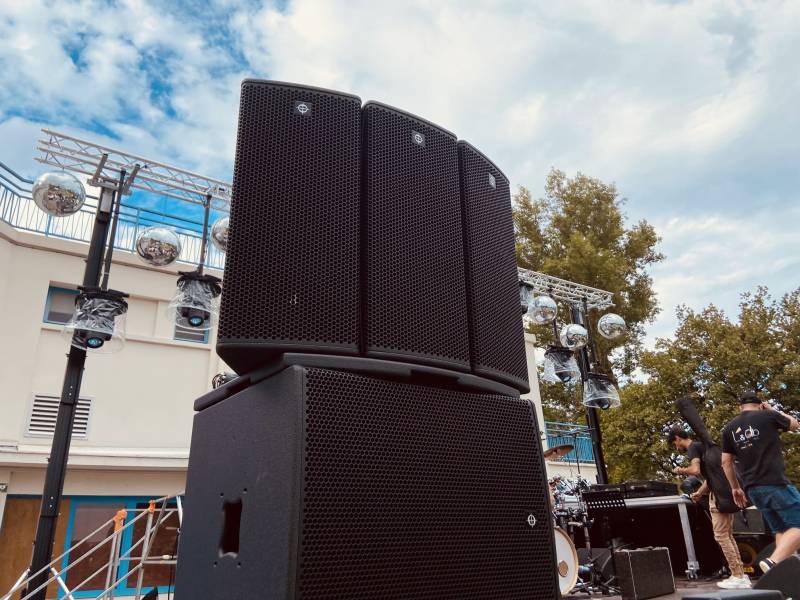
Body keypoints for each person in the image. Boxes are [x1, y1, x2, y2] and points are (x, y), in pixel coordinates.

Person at [721, 391, 800, 573]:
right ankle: (773, 561)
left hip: (752, 489)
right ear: (760, 405)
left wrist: (735, 488)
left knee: (782, 529)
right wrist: (773, 409)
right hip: (774, 482)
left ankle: (781, 572)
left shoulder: (729, 428)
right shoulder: (768, 415)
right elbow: (795, 425)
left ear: (740, 407)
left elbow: (726, 462)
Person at [668, 426, 749, 589]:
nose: (677, 448)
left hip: (718, 497)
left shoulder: (692, 448)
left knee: (720, 536)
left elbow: (695, 470)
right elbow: (709, 478)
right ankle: (740, 573)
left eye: (674, 445)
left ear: (677, 438)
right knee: (727, 535)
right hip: (726, 493)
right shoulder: (703, 446)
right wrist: (699, 492)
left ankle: (738, 575)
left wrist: (680, 470)